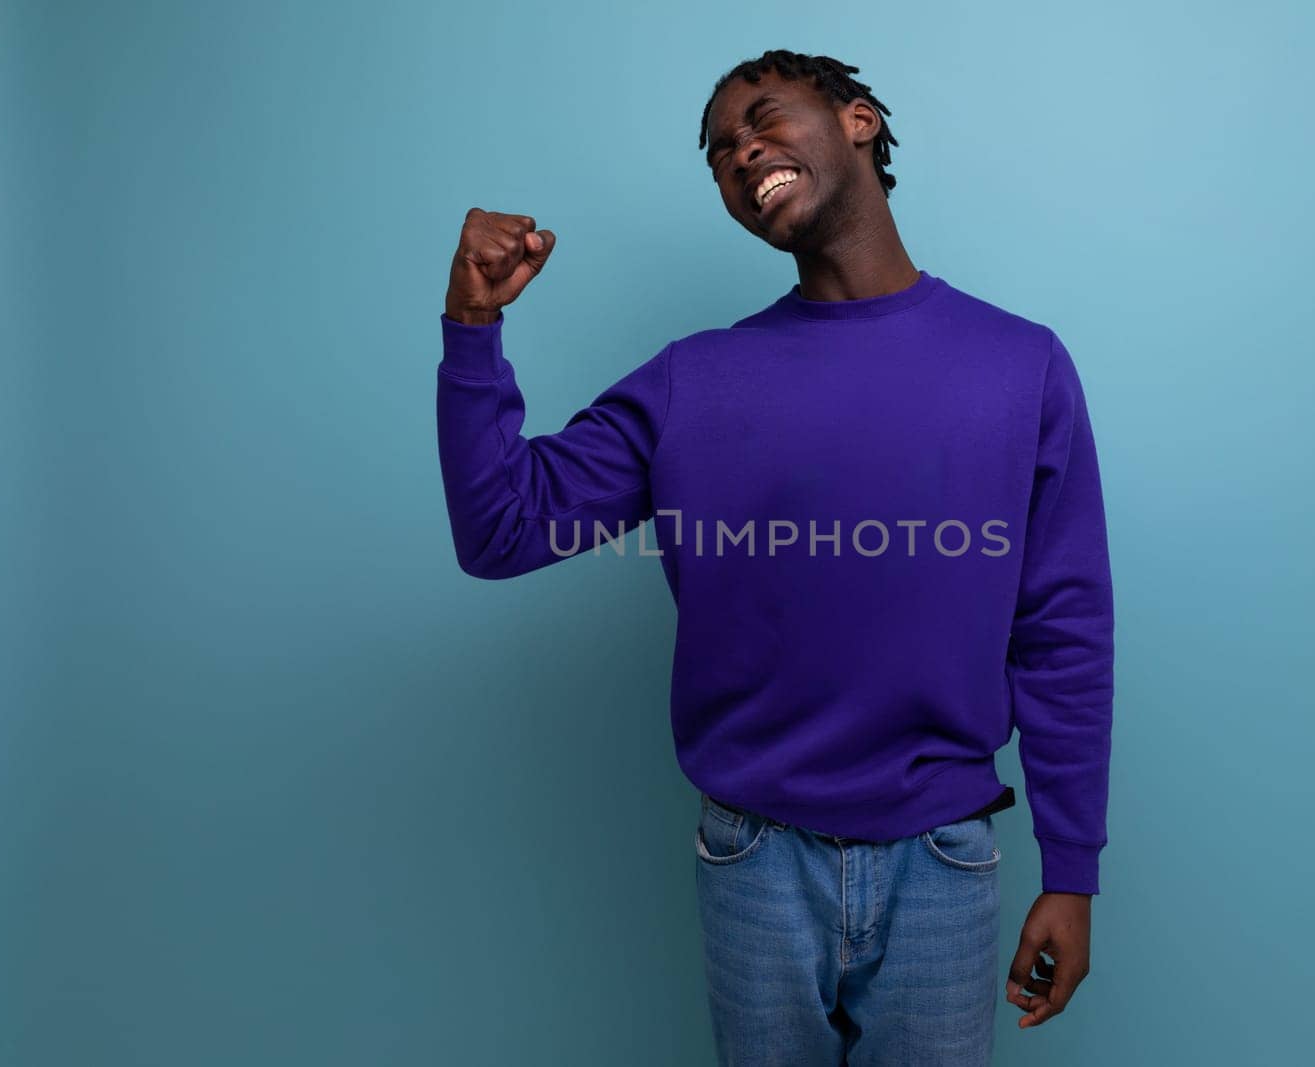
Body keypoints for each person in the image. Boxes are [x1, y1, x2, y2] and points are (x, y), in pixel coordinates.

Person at [434, 48, 1114, 1066]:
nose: (739, 150)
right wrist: (473, 326)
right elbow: (501, 529)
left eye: (762, 117)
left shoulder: (1020, 364)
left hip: (943, 851)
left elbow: (1062, 627)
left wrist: (1071, 870)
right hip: (752, 854)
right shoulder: (693, 381)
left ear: (860, 121)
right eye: (717, 151)